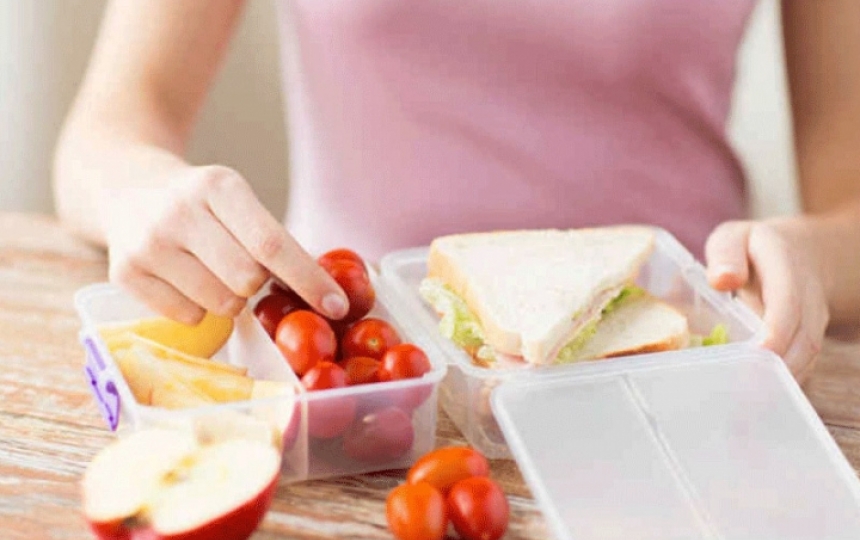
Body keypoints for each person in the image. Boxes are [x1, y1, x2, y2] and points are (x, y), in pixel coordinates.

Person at [53, 1, 860, 382]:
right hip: (357, 375)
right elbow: (105, 133)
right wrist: (138, 189)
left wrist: (807, 257)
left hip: (677, 373)